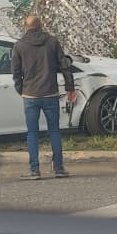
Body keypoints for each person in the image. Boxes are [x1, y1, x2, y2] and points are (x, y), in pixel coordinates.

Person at [10, 14, 76, 180]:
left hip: (30, 95)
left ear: (26, 27)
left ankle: (34, 170)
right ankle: (59, 168)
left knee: (32, 133)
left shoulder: (19, 45)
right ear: (41, 25)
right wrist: (70, 88)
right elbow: (65, 65)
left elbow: (16, 72)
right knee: (54, 131)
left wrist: (21, 89)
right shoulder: (52, 42)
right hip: (50, 93)